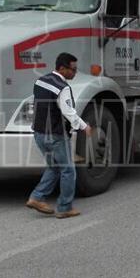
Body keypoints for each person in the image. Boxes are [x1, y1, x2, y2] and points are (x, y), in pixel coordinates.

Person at [26, 52, 92, 217]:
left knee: (54, 167)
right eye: (73, 69)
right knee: (68, 170)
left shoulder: (41, 80)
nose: (75, 73)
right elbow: (68, 112)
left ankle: (36, 197)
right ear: (62, 68)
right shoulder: (63, 88)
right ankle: (65, 207)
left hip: (39, 134)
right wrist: (84, 126)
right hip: (55, 136)